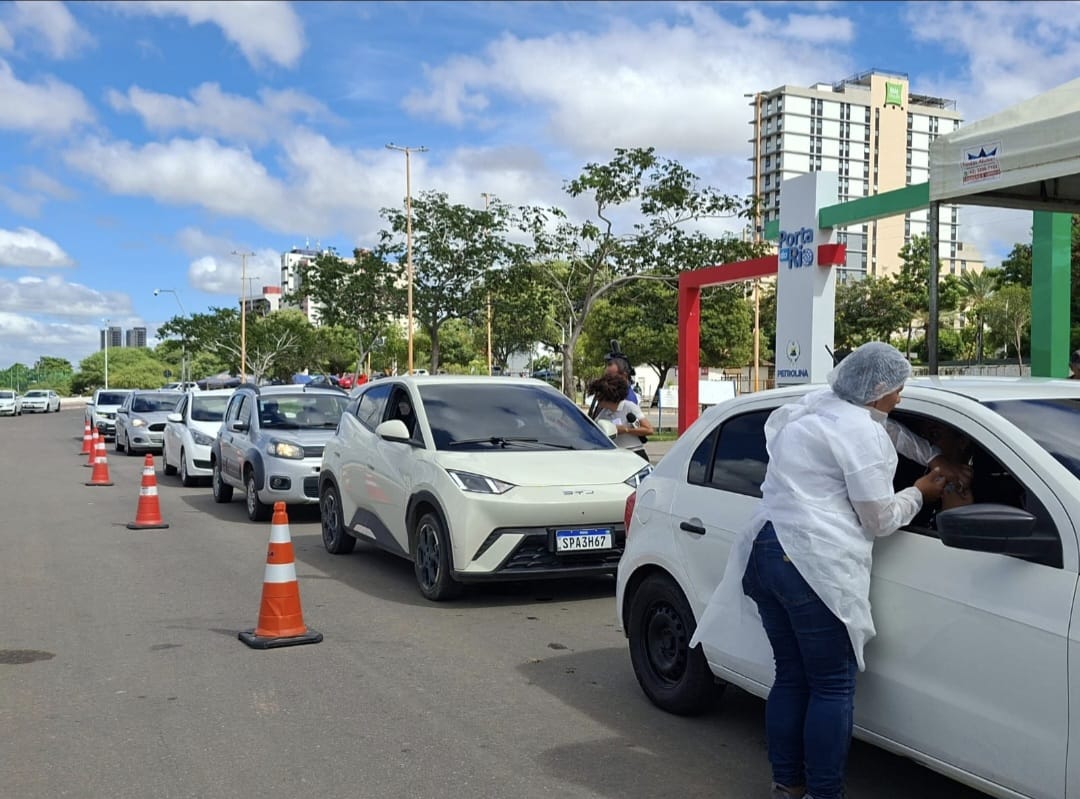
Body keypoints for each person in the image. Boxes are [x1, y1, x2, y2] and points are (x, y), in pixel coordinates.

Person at [693, 341, 971, 799]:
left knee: (791, 675)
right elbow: (878, 519)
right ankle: (825, 793)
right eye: (898, 390)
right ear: (879, 389)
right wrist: (922, 490)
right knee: (832, 685)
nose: (901, 398)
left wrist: (932, 455)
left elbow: (891, 431)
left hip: (766, 548)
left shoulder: (818, 406)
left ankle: (788, 784)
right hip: (809, 561)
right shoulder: (862, 436)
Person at [588, 373, 653, 461]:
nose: (597, 399)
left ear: (608, 395)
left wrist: (626, 430)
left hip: (635, 452)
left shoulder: (629, 407)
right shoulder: (603, 413)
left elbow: (648, 430)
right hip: (617, 454)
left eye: (599, 396)